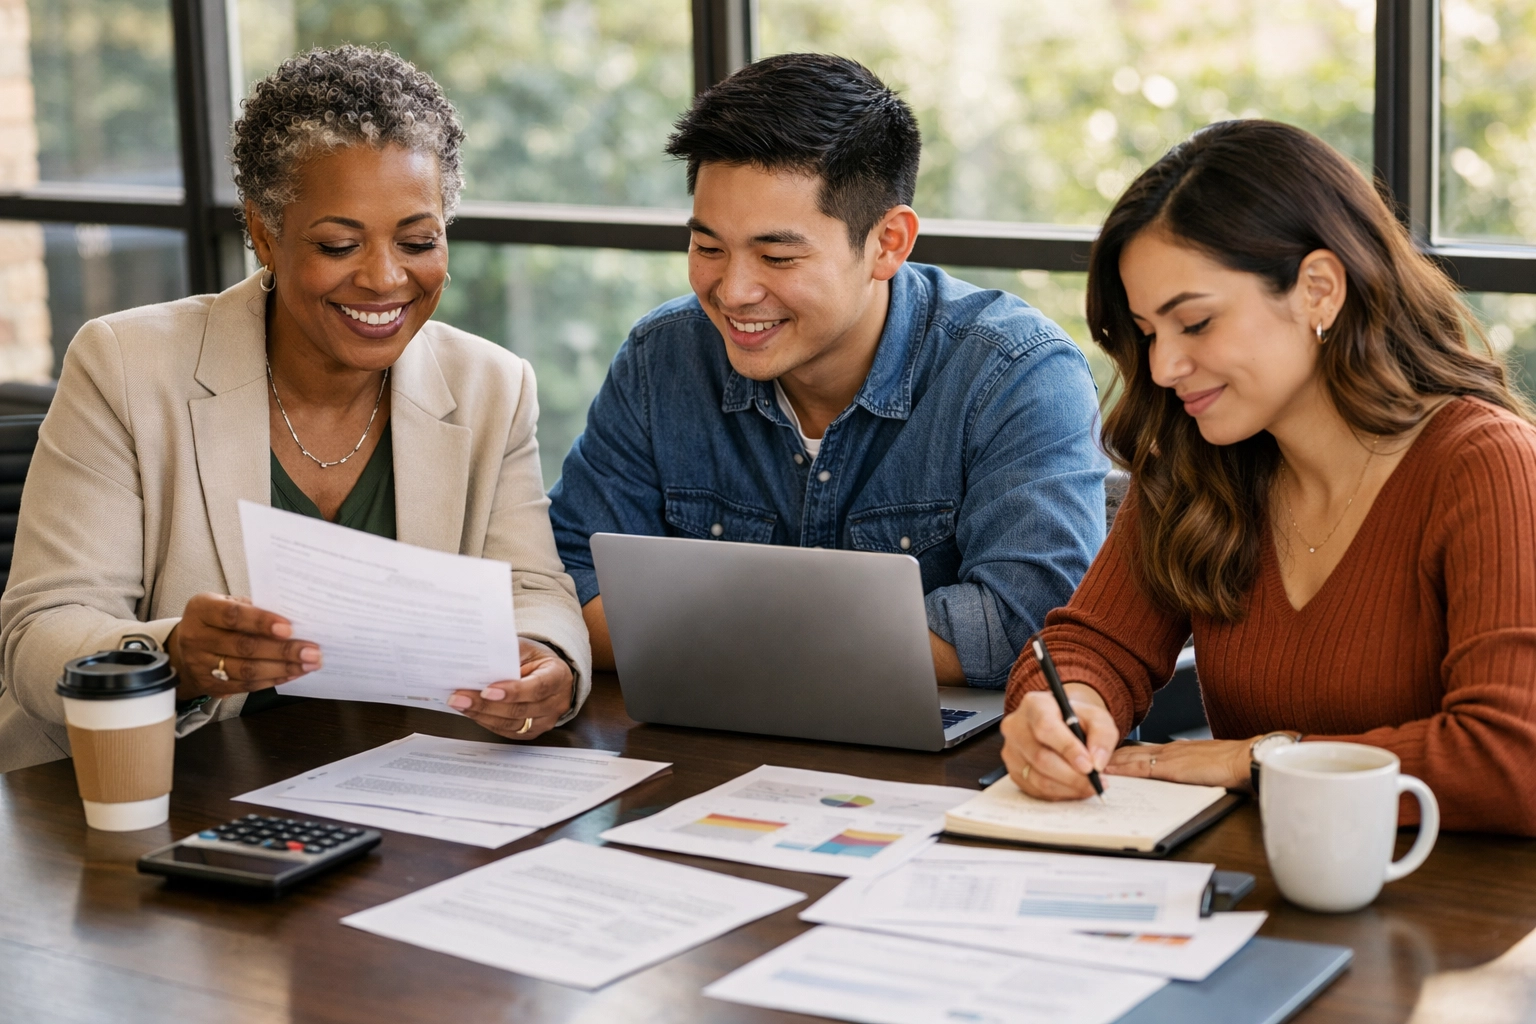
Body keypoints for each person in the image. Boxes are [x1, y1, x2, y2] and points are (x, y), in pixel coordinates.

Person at [0, 46, 590, 773]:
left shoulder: (492, 386)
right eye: (340, 244)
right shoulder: (126, 366)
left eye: (418, 240)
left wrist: (548, 662)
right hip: (143, 792)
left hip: (386, 789)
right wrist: (176, 657)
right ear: (265, 233)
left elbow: (534, 590)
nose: (384, 278)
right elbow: (39, 633)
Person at [1001, 119, 1536, 835]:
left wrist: (1258, 760)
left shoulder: (1486, 463)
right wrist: (1065, 713)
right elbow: (1088, 648)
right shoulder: (1198, 458)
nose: (1163, 369)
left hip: (1449, 918)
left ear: (1318, 289)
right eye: (1148, 332)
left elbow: (1511, 760)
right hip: (1256, 898)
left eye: (1194, 323)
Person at [548, 54, 1108, 689]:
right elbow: (568, 581)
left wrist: (697, 633)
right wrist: (835, 644)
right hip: (704, 751)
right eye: (707, 247)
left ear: (887, 243)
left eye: (778, 255)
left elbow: (1027, 627)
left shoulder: (1015, 374)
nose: (731, 292)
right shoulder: (663, 357)